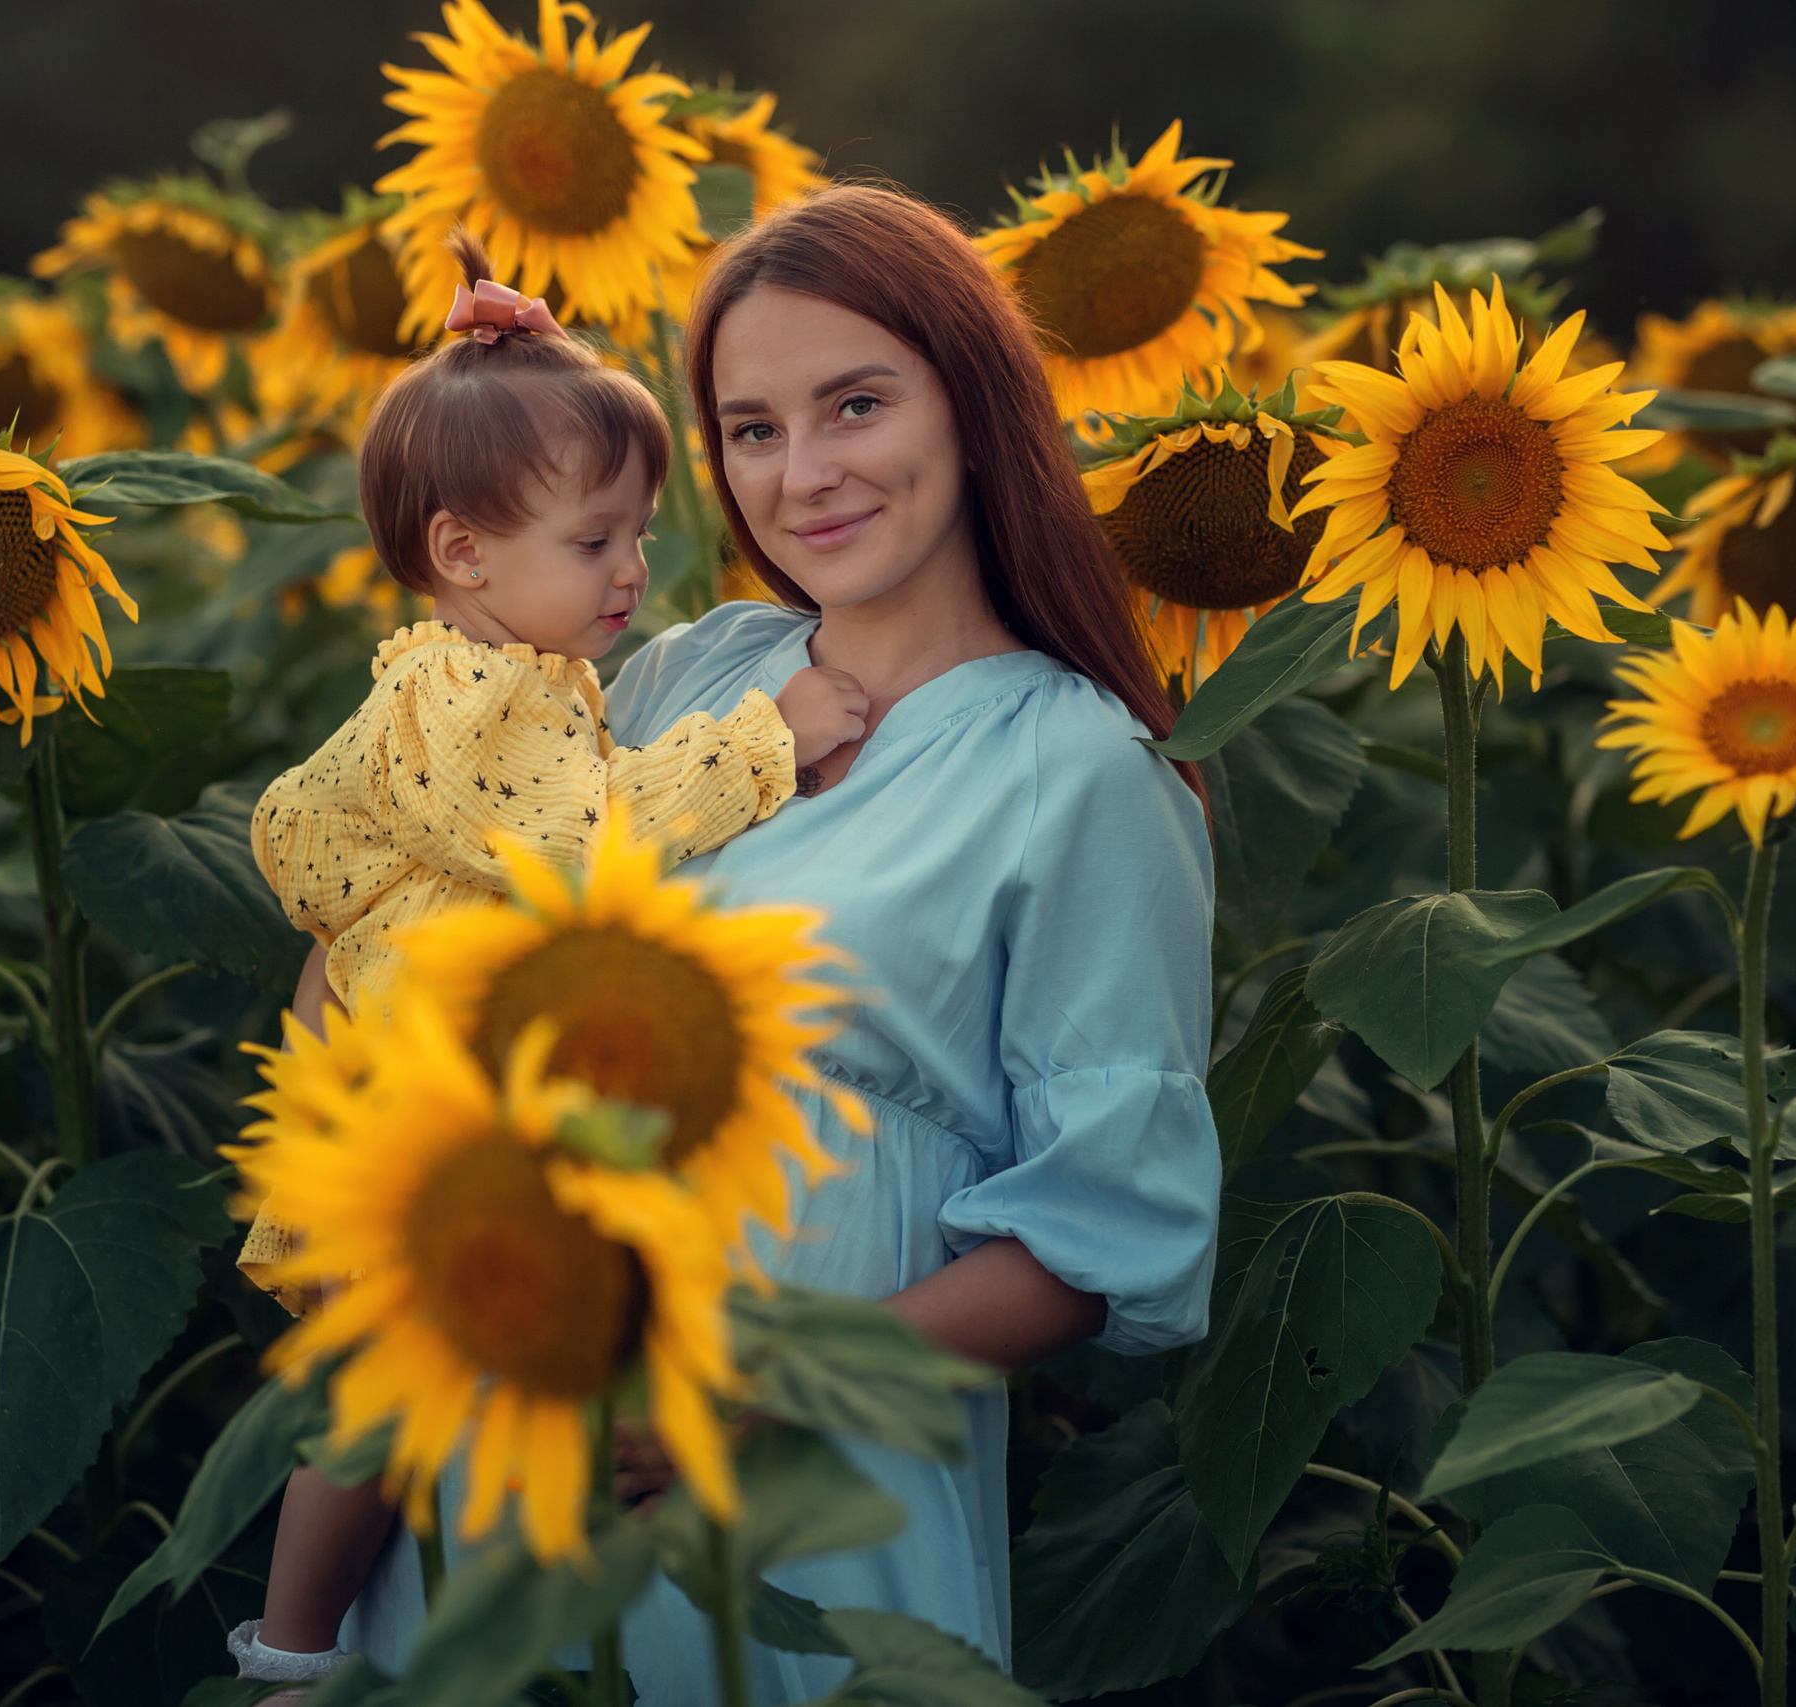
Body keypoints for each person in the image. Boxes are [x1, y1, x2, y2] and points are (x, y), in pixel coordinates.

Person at [330, 182, 1224, 1703]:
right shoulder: (679, 677)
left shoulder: (1077, 769)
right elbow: (410, 888)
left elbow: (1103, 1233)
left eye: (855, 404)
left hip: (806, 1490)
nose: (802, 475)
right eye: (752, 428)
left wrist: (749, 1391)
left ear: (976, 403)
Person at [223, 230, 870, 1699]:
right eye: (596, 543)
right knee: (376, 1414)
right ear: (464, 554)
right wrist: (765, 740)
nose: (636, 572)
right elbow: (585, 847)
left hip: (446, 1106)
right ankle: (293, 1657)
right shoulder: (468, 699)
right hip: (424, 1133)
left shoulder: (511, 678)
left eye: (639, 535)